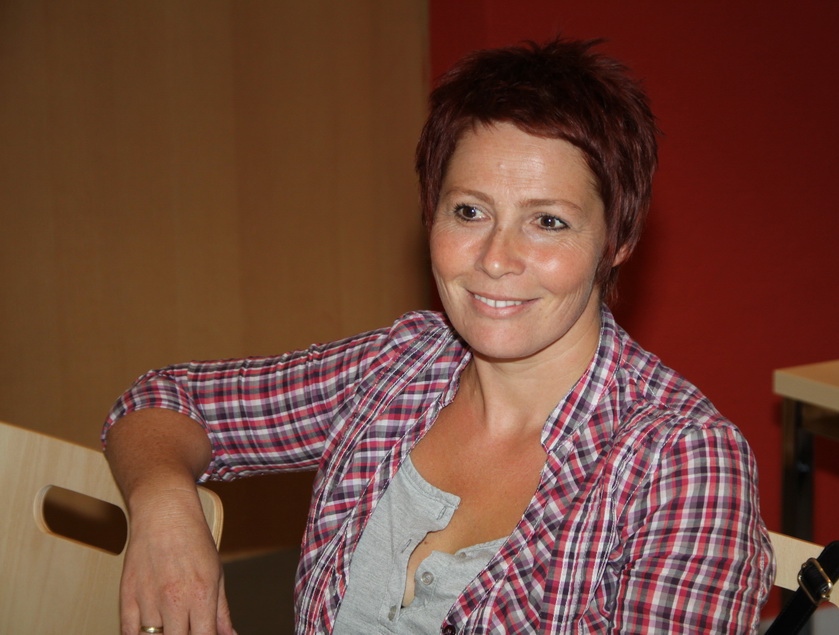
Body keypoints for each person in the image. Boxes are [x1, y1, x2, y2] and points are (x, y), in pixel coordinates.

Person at [103, 38, 774, 635]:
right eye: (470, 211)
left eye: (548, 221)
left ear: (617, 239)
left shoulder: (681, 462)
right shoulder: (401, 365)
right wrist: (166, 505)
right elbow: (162, 401)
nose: (496, 258)